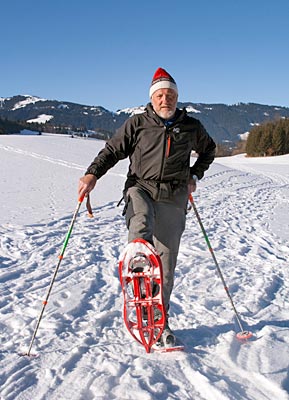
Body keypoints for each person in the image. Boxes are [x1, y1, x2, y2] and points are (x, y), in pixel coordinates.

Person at [78, 67, 216, 347]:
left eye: (171, 95)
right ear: (152, 99)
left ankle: (158, 320)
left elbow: (209, 150)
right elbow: (112, 151)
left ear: (177, 97)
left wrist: (194, 174)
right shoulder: (137, 123)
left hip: (174, 195)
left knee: (166, 264)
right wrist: (92, 174)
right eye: (160, 95)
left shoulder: (191, 127)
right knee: (140, 220)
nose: (166, 99)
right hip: (140, 187)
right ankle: (139, 253)